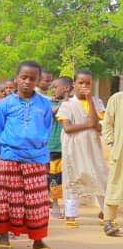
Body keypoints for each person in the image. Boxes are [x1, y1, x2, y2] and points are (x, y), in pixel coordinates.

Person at [0, 61, 56, 249]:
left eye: (32, 78)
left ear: (38, 80)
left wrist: (38, 148)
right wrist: (6, 151)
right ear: (16, 78)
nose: (27, 81)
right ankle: (3, 236)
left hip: (36, 158)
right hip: (10, 156)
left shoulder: (44, 104)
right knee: (8, 198)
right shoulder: (5, 104)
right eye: (24, 77)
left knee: (37, 201)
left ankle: (38, 240)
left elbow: (46, 128)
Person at [58, 70, 108, 228]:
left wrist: (89, 100)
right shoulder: (67, 104)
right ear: (74, 84)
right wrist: (89, 125)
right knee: (73, 178)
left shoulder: (97, 102)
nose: (84, 86)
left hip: (92, 146)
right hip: (73, 147)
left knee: (100, 175)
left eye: (88, 83)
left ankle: (105, 212)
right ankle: (71, 214)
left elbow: (97, 123)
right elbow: (68, 128)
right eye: (81, 83)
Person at [47, 77, 72, 217]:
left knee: (70, 177)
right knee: (54, 177)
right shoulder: (50, 103)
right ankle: (55, 204)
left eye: (55, 87)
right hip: (54, 145)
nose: (52, 90)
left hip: (71, 146)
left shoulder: (74, 103)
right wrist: (64, 102)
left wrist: (67, 101)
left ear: (66, 89)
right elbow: (52, 112)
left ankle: (69, 207)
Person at [102, 89, 123, 236]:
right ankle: (108, 221)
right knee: (115, 183)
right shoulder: (117, 99)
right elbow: (107, 123)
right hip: (120, 150)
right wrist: (112, 143)